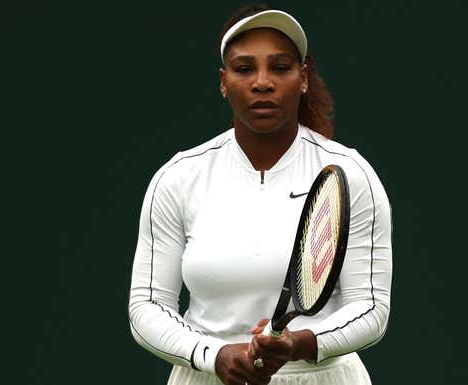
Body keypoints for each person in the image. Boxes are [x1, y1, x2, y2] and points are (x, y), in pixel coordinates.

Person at [128, 4, 393, 385]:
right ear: (223, 81)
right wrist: (212, 355)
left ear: (303, 79)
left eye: (280, 68)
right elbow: (147, 306)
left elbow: (370, 307)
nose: (262, 82)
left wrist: (300, 343)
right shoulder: (178, 178)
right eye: (244, 68)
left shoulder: (352, 174)